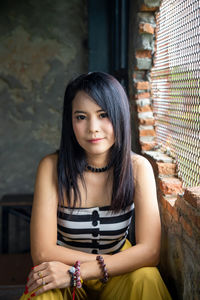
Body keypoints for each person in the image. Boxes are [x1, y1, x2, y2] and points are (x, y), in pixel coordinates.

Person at [20, 72, 172, 300]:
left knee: (146, 277)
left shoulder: (138, 168)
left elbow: (150, 252)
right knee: (44, 288)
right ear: (69, 121)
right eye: (81, 117)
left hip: (115, 277)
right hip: (64, 277)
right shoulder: (51, 166)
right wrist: (76, 274)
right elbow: (42, 252)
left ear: (120, 116)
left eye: (103, 115)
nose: (93, 127)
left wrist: (78, 272)